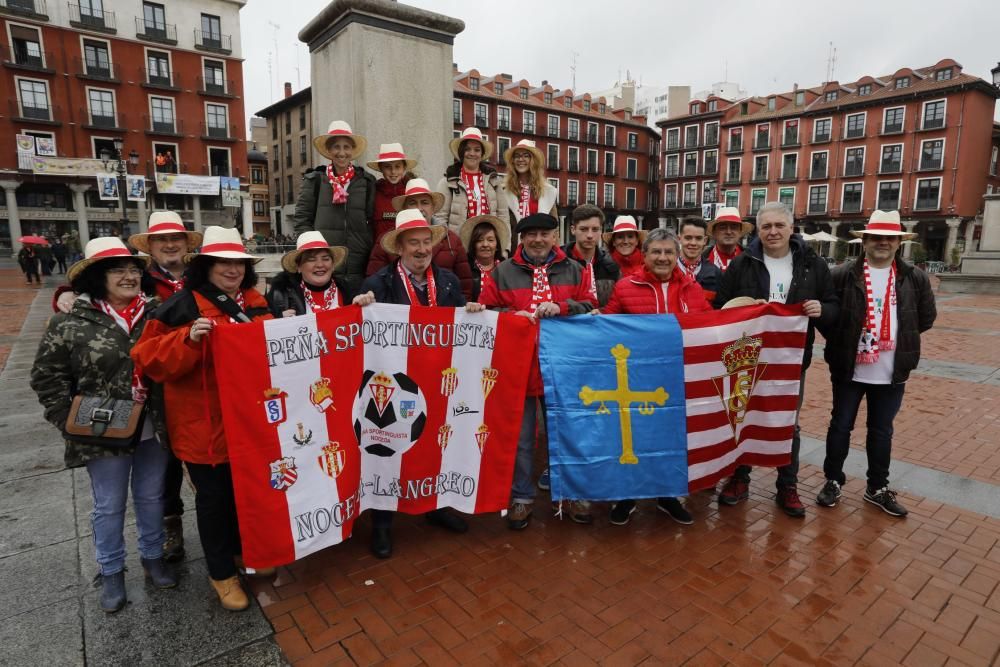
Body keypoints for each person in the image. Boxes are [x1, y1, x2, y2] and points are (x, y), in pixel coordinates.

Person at [30, 237, 176, 613]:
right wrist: (69, 422)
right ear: (98, 276)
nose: (128, 276)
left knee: (151, 497)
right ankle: (111, 572)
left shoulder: (159, 312)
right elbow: (47, 377)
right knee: (109, 505)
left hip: (154, 425)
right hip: (101, 431)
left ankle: (152, 558)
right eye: (117, 270)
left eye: (133, 270)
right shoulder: (69, 321)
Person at [132, 226, 274, 612]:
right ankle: (221, 573)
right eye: (224, 263)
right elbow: (147, 358)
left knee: (242, 493)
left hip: (247, 422)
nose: (233, 270)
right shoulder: (180, 307)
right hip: (203, 427)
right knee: (213, 501)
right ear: (206, 266)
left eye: (239, 263)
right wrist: (188, 341)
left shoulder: (256, 300)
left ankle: (242, 551)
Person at [359, 209, 480, 558]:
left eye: (427, 242)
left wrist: (470, 313)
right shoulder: (378, 284)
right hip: (394, 384)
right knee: (388, 447)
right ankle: (382, 523)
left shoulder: (447, 282)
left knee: (436, 444)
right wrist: (361, 307)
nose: (422, 248)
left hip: (439, 379)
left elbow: (460, 326)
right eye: (414, 242)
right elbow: (364, 334)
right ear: (399, 247)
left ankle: (436, 506)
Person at [712, 202, 838, 517]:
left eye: (779, 225)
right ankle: (739, 479)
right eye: (766, 226)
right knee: (741, 419)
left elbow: (833, 306)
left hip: (791, 361)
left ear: (791, 228)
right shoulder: (743, 263)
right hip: (747, 358)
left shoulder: (813, 265)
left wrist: (822, 310)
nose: (773, 232)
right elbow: (720, 307)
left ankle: (788, 486)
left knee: (788, 424)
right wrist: (744, 307)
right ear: (758, 230)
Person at [478, 213, 598, 529]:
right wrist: (511, 316)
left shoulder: (575, 269)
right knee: (521, 438)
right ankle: (521, 497)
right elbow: (486, 311)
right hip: (519, 367)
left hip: (563, 367)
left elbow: (591, 304)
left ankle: (573, 494)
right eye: (530, 235)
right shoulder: (502, 272)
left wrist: (564, 307)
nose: (538, 240)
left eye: (544, 234)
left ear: (554, 236)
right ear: (522, 239)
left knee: (569, 433)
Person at [817, 211, 936, 517]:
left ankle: (877, 487)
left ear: (898, 243)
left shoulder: (914, 277)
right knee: (840, 426)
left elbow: (925, 318)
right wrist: (844, 340)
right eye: (877, 237)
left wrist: (896, 339)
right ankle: (833, 480)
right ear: (865, 240)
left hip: (892, 370)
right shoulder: (842, 274)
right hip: (849, 368)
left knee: (881, 431)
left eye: (890, 238)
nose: (883, 242)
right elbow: (827, 317)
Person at [598, 228, 710, 525]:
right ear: (644, 255)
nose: (663, 258)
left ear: (677, 256)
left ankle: (667, 494)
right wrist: (595, 320)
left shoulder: (692, 288)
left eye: (669, 252)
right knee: (632, 438)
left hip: (677, 380)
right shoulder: (625, 287)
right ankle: (627, 496)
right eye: (656, 252)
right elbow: (606, 326)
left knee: (671, 440)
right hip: (635, 378)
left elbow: (710, 325)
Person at [293, 121, 376, 299]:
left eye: (346, 147)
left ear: (352, 151)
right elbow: (302, 219)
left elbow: (371, 220)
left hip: (358, 265)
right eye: (336, 147)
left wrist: (366, 246)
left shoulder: (367, 182)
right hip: (324, 265)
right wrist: (313, 253)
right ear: (329, 151)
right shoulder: (315, 181)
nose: (341, 152)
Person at [366, 178, 473, 299]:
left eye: (425, 202)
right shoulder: (385, 240)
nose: (419, 208)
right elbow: (373, 287)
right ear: (404, 208)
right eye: (413, 203)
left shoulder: (452, 240)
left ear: (433, 208)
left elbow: (465, 288)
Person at [267, 231, 374, 316]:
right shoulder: (281, 296)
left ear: (332, 265)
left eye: (326, 259)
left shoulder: (349, 292)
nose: (320, 265)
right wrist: (277, 320)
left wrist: (365, 307)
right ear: (299, 267)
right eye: (311, 259)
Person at [435, 127, 510, 245]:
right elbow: (440, 219)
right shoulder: (447, 182)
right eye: (467, 149)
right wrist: (448, 247)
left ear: (482, 153)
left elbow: (503, 217)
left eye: (477, 150)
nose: (472, 153)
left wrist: (505, 249)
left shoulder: (494, 181)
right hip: (459, 247)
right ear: (461, 152)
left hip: (489, 247)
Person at [563, 204, 621, 308]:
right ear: (573, 230)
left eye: (595, 229)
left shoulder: (612, 265)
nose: (590, 235)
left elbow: (617, 304)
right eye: (584, 229)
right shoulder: (557, 261)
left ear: (601, 231)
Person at [368, 142, 417, 244]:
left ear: (404, 168)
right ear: (381, 169)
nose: (393, 172)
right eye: (388, 167)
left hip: (406, 251)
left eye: (397, 166)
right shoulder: (373, 192)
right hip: (379, 252)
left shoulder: (411, 193)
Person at [501, 139, 558, 226]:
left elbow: (554, 226)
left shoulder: (548, 191)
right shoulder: (503, 190)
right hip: (513, 240)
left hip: (539, 239)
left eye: (526, 156)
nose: (520, 159)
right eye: (517, 156)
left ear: (533, 160)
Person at [460, 214, 509, 301]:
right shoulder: (464, 269)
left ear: (497, 245)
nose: (485, 245)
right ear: (473, 245)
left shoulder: (506, 269)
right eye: (479, 240)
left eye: (490, 240)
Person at [677, 218, 723, 301]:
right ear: (679, 239)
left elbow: (718, 307)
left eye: (698, 238)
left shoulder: (715, 273)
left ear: (705, 240)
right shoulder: (667, 270)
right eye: (688, 238)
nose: (693, 243)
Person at [705, 206, 752, 271]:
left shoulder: (752, 260)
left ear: (740, 232)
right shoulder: (701, 260)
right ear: (714, 232)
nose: (728, 232)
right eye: (723, 227)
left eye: (734, 227)